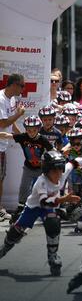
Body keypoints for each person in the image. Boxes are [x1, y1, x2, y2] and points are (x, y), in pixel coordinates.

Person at [0, 151, 82, 275]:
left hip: (49, 208)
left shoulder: (62, 174)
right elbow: (45, 202)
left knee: (53, 222)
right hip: (34, 207)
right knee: (16, 233)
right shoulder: (41, 182)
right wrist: (65, 199)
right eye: (54, 171)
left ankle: (53, 256)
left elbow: (76, 161)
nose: (58, 174)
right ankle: (4, 249)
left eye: (60, 170)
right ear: (46, 171)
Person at [0, 116, 53, 222]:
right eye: (29, 130)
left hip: (40, 169)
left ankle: (46, 209)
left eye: (34, 130)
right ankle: (20, 208)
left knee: (41, 189)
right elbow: (7, 135)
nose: (31, 133)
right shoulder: (23, 137)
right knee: (23, 188)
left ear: (38, 129)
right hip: (28, 168)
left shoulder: (42, 139)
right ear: (25, 129)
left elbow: (52, 150)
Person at [0, 73, 25, 221]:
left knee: (1, 178)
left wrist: (21, 136)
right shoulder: (1, 99)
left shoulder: (12, 99)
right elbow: (2, 123)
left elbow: (11, 122)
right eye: (21, 85)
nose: (23, 89)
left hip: (3, 145)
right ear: (14, 85)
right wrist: (19, 114)